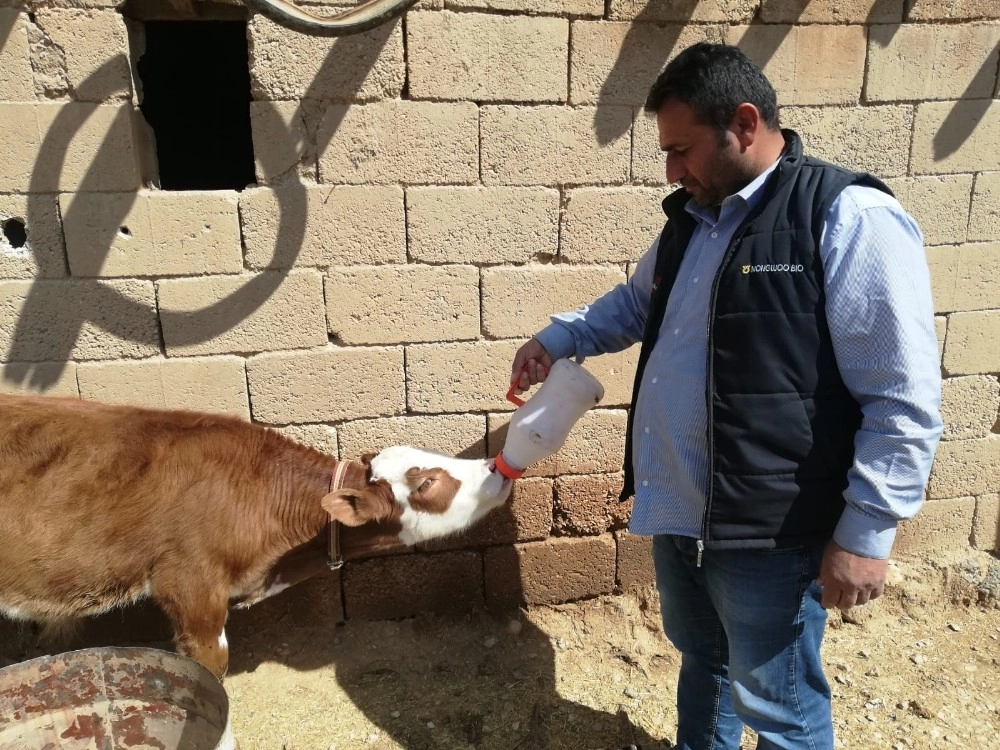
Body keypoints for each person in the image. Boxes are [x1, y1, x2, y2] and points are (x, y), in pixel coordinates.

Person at [509, 42, 942, 750]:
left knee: (781, 707)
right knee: (704, 660)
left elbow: (902, 394)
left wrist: (867, 531)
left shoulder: (845, 216)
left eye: (681, 150)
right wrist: (560, 340)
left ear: (744, 124)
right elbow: (633, 304)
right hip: (681, 507)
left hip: (771, 529)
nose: (672, 171)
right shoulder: (691, 221)